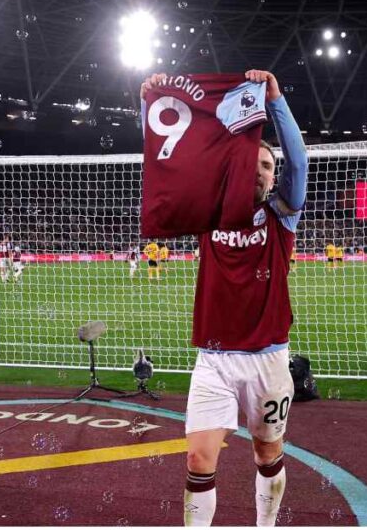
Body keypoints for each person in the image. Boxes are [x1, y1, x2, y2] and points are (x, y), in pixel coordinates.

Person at [141, 69, 307, 527]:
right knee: (198, 459)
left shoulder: (282, 219)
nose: (259, 169)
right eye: (251, 161)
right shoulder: (208, 209)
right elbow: (168, 164)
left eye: (267, 165)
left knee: (267, 451)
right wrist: (149, 107)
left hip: (268, 360)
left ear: (275, 178)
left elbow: (299, 162)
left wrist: (276, 100)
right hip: (214, 359)